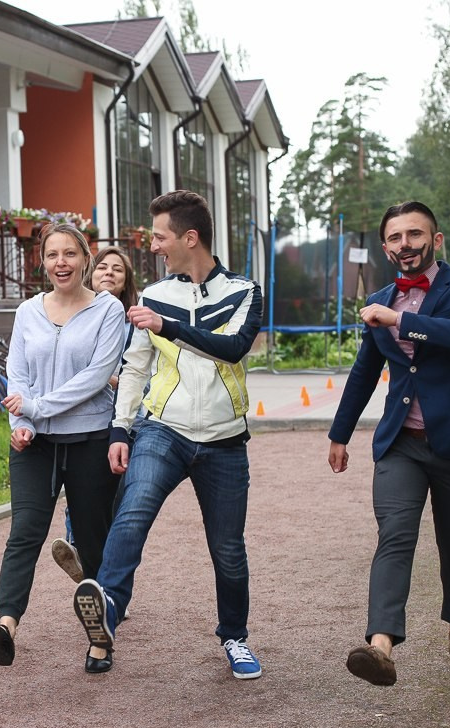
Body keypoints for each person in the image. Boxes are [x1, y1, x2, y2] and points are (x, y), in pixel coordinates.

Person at [71, 190, 264, 677]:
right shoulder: (154, 295)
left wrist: (168, 327)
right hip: (163, 430)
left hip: (224, 440)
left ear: (189, 237)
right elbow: (135, 368)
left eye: (159, 236)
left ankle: (235, 638)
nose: (153, 245)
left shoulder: (243, 291)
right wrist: (120, 429)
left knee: (228, 550)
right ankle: (107, 615)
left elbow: (234, 348)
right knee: (131, 516)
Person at [329, 200, 450, 686]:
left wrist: (400, 321)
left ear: (436, 239)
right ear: (386, 247)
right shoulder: (383, 296)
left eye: (415, 235)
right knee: (395, 535)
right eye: (396, 238)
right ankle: (380, 645)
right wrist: (339, 434)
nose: (406, 245)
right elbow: (364, 372)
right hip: (401, 443)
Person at [0, 224, 126, 666]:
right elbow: (16, 376)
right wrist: (20, 421)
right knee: (24, 533)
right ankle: (5, 626)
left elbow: (96, 377)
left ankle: (100, 636)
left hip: (89, 437)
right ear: (43, 262)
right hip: (35, 444)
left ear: (85, 258)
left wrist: (36, 408)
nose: (61, 263)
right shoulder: (27, 311)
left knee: (94, 538)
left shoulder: (108, 310)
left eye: (69, 254)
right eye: (52, 255)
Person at [50, 245, 139, 583]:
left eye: (118, 269)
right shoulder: (72, 316)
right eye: (103, 267)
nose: (109, 273)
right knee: (83, 493)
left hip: (127, 422)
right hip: (86, 421)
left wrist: (110, 376)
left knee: (117, 504)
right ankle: (82, 554)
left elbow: (138, 371)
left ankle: (111, 579)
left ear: (127, 280)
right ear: (91, 272)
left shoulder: (135, 320)